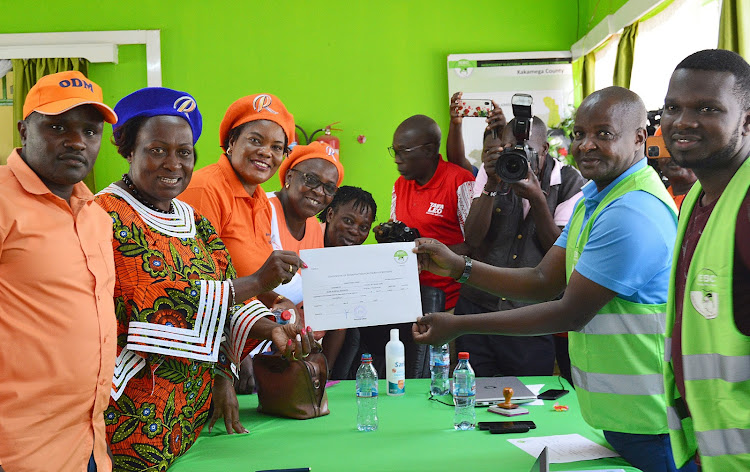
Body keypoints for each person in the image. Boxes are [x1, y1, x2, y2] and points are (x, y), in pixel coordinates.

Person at [413, 87, 695, 472]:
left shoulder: (633, 210)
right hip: (620, 415)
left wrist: (457, 325)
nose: (587, 145)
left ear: (639, 138)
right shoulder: (596, 200)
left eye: (604, 134)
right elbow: (543, 278)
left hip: (653, 421)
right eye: (579, 134)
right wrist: (458, 267)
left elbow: (568, 313)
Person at [97, 87, 314, 471]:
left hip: (190, 412)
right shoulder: (105, 215)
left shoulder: (192, 221)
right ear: (128, 149)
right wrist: (259, 282)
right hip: (133, 411)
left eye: (183, 152)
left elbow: (224, 299)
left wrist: (268, 329)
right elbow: (154, 301)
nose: (173, 163)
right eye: (157, 150)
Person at [0, 71, 118, 472]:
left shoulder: (96, 217)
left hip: (88, 443)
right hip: (19, 449)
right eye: (56, 126)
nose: (76, 141)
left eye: (90, 130)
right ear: (23, 129)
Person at [660, 49, 750, 472]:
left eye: (707, 108)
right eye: (673, 107)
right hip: (706, 448)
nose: (683, 121)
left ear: (747, 120)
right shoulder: (697, 197)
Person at [455, 107, 586, 379]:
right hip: (479, 308)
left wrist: (538, 199)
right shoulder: (493, 172)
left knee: (528, 403)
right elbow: (474, 238)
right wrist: (491, 184)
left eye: (526, 150)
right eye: (508, 149)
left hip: (530, 317)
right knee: (474, 396)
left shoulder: (570, 182)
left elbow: (558, 250)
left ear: (545, 149)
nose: (516, 157)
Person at [180, 93, 300, 314]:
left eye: (276, 147)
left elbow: (249, 277)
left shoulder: (262, 201)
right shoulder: (205, 189)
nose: (265, 152)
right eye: (255, 140)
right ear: (232, 142)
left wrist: (277, 301)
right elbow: (196, 290)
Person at [388, 114, 475, 310]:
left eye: (402, 151)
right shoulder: (400, 185)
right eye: (394, 151)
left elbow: (476, 245)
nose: (397, 160)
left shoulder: (460, 182)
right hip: (411, 300)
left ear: (428, 150)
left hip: (454, 304)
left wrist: (429, 254)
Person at [316, 185, 378, 379]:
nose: (354, 232)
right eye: (348, 221)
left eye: (363, 227)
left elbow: (340, 321)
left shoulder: (352, 260)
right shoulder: (306, 237)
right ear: (330, 214)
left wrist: (324, 373)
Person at [653, 128, 697, 210]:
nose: (675, 156)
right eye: (666, 149)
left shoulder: (709, 200)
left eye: (685, 148)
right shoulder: (654, 199)